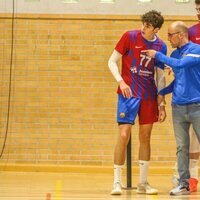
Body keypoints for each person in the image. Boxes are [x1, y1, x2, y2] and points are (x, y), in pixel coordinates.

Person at [108, 10, 167, 195]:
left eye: (148, 26)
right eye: (143, 24)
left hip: (149, 96)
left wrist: (162, 101)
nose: (143, 28)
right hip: (128, 94)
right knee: (124, 135)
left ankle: (143, 183)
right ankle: (116, 182)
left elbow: (160, 75)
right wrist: (121, 81)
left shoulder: (161, 45)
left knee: (145, 137)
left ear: (156, 29)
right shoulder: (129, 36)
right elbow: (111, 61)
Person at [143, 21, 200, 196]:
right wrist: (162, 92)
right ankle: (184, 184)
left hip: (197, 106)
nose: (168, 39)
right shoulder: (175, 54)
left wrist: (157, 55)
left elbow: (182, 65)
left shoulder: (196, 50)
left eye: (170, 35)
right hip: (178, 108)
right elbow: (179, 80)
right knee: (181, 147)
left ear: (181, 35)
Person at [171, 0, 200, 192]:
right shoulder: (192, 32)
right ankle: (188, 179)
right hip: (191, 98)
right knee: (187, 143)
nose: (198, 11)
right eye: (197, 8)